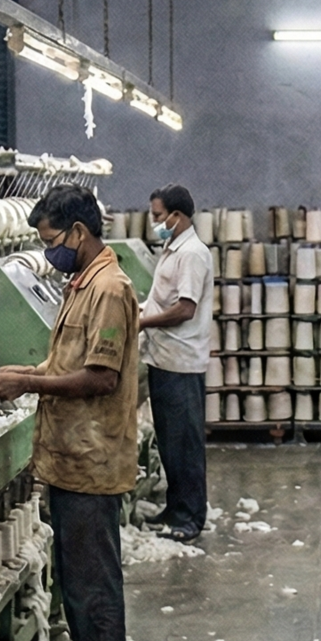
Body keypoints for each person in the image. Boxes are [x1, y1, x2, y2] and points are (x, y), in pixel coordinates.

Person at [0, 184, 139, 641]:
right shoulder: (82, 284)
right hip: (71, 457)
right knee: (76, 581)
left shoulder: (110, 290)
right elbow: (66, 363)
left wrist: (27, 383)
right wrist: (25, 373)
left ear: (78, 231)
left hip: (93, 460)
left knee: (95, 586)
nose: (49, 252)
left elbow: (101, 377)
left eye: (51, 241)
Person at [137, 183, 214, 541]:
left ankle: (190, 518)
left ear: (177, 215)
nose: (154, 222)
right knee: (170, 442)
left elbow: (185, 309)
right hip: (164, 357)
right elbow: (163, 300)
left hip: (181, 361)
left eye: (157, 216)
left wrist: (141, 323)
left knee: (185, 445)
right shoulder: (173, 249)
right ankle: (176, 507)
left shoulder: (193, 254)